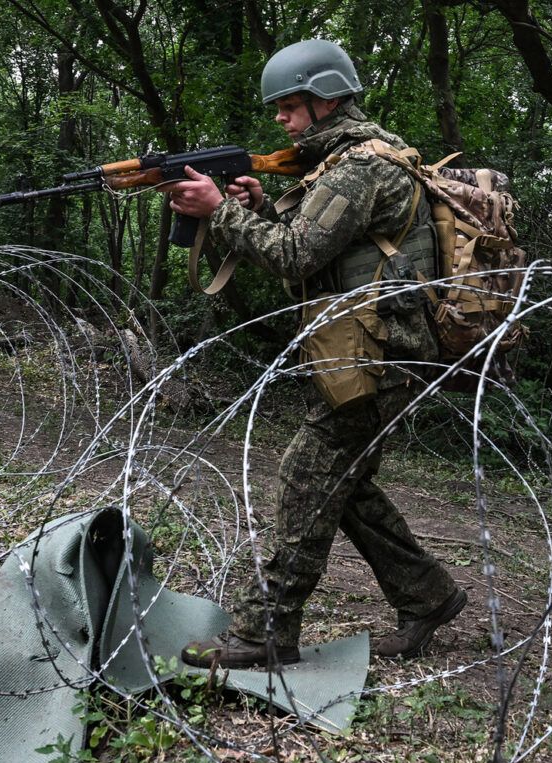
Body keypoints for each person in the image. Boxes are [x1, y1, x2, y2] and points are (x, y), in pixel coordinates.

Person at [169, 39, 466, 669]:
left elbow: (295, 256)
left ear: (325, 97)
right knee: (344, 486)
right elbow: (308, 261)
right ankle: (428, 596)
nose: (280, 118)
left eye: (289, 105)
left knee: (309, 475)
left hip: (380, 352)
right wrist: (245, 211)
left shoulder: (358, 167)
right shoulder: (341, 167)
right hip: (372, 347)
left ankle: (264, 631)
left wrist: (221, 211)